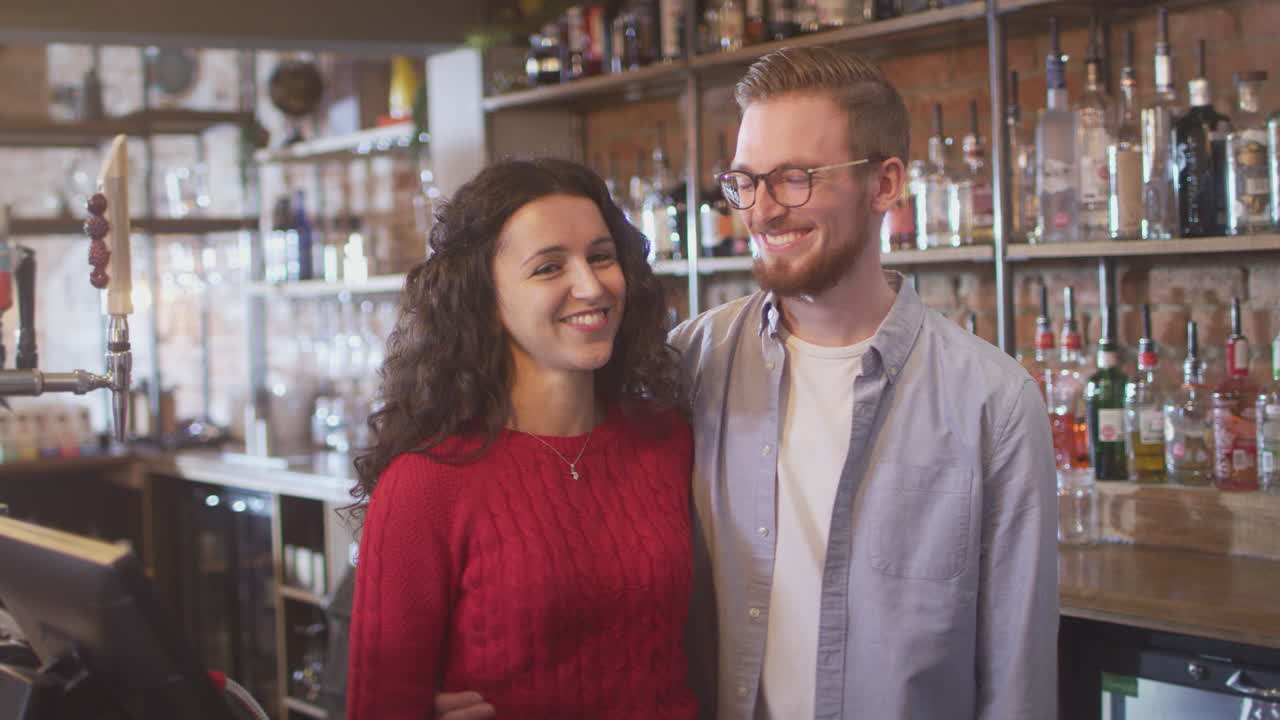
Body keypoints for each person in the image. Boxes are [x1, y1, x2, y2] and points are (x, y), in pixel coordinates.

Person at [437, 46, 1058, 720]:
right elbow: (558, 522)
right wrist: (461, 671)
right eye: (745, 181)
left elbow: (1017, 682)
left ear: (885, 185)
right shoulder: (686, 364)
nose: (761, 210)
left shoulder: (991, 404)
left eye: (795, 178)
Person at [346, 158, 699, 720]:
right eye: (548, 267)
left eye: (601, 257)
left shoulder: (669, 441)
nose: (590, 285)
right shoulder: (425, 484)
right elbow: (379, 704)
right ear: (484, 299)